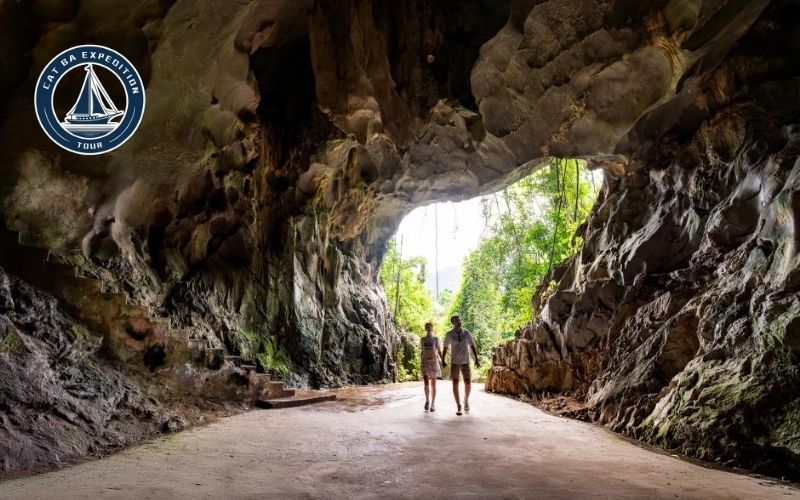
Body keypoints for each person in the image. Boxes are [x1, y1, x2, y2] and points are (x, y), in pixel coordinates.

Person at [442, 314, 480, 416]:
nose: (459, 321)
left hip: (465, 362)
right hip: (454, 362)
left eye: (459, 319)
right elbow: (445, 347)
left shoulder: (466, 333)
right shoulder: (449, 334)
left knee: (468, 383)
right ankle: (458, 406)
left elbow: (472, 345)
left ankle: (466, 400)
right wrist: (443, 359)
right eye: (456, 320)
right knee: (455, 383)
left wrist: (476, 359)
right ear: (453, 323)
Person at [420, 322, 443, 412]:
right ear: (425, 328)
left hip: (434, 362)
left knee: (433, 384)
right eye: (427, 326)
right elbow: (422, 351)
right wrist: (421, 362)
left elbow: (439, 351)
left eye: (430, 326)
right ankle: (427, 401)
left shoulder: (436, 339)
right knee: (426, 382)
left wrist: (443, 360)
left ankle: (433, 403)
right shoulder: (422, 339)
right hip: (425, 362)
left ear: (432, 328)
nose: (429, 327)